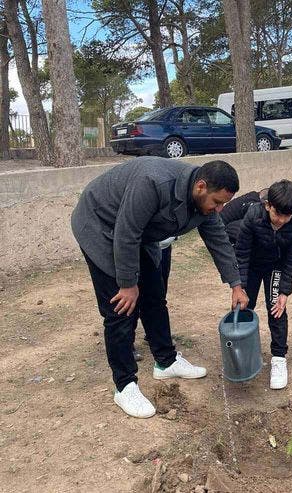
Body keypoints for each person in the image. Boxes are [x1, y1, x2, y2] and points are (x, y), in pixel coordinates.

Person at [72, 157, 249, 418]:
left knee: (154, 296)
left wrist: (236, 284)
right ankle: (125, 385)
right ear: (200, 187)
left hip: (138, 233)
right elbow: (126, 232)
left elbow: (219, 240)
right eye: (218, 202)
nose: (221, 209)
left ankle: (165, 361)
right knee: (121, 307)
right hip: (102, 225)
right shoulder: (153, 182)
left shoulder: (205, 205)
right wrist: (128, 283)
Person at [235, 180, 292, 389]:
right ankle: (244, 354)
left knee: (277, 308)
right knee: (245, 307)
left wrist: (284, 291)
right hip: (253, 266)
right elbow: (242, 253)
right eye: (277, 214)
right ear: (268, 205)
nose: (282, 220)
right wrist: (240, 286)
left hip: (276, 267)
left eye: (287, 216)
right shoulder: (253, 216)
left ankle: (279, 358)